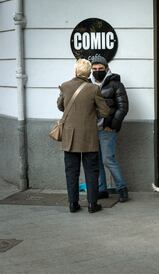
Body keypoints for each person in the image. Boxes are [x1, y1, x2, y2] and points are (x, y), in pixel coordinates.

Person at [57, 59, 110, 213]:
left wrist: (61, 94)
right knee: (92, 171)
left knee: (71, 171)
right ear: (89, 72)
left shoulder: (65, 86)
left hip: (70, 136)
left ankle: (73, 204)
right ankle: (93, 205)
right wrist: (93, 114)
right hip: (89, 136)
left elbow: (61, 106)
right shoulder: (93, 89)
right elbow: (105, 111)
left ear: (75, 71)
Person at [90, 55, 129, 202]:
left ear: (106, 69)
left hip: (107, 130)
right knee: (96, 160)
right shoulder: (88, 84)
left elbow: (123, 107)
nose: (97, 71)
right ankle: (101, 189)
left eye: (100, 68)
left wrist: (112, 125)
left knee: (108, 159)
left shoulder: (115, 84)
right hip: (91, 130)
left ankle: (122, 188)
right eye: (94, 69)